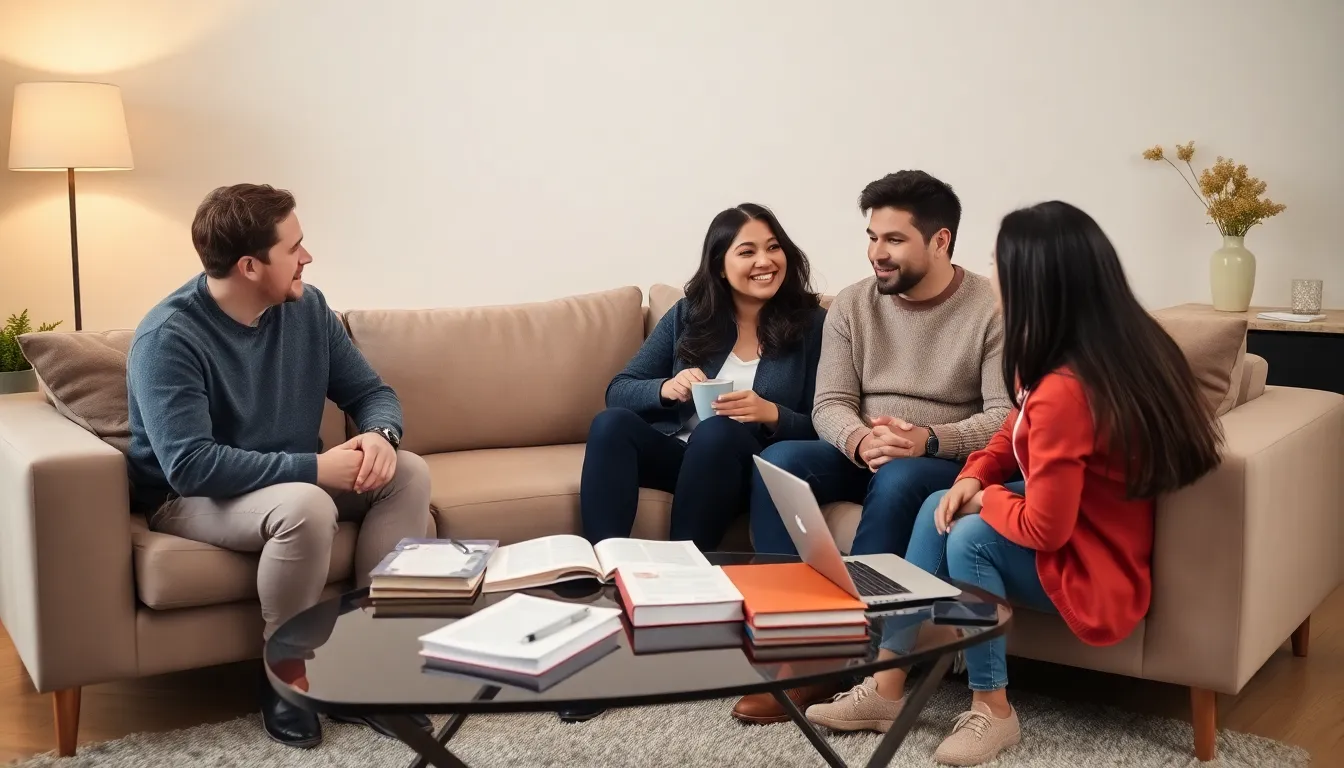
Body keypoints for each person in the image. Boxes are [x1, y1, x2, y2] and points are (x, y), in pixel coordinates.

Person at [803, 201, 1224, 765]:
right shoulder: (1068, 354)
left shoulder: (1068, 386)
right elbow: (1012, 428)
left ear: (1036, 281)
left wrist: (985, 497)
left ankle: (992, 707)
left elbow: (1046, 529)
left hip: (1095, 561)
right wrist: (973, 474)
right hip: (1080, 522)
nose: (991, 275)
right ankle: (887, 687)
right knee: (938, 504)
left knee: (968, 537)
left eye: (1003, 264)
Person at [126, 184, 435, 749]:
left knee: (408, 472)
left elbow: (371, 392)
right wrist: (316, 470)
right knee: (307, 503)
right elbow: (190, 465)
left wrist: (381, 437)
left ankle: (371, 662)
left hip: (288, 478)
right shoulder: (167, 338)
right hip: (190, 497)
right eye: (294, 247)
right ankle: (286, 677)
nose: (307, 258)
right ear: (249, 265)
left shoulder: (309, 309)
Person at [732, 171, 1010, 724]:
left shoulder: (990, 309)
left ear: (941, 241)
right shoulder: (855, 305)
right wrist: (862, 441)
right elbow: (829, 402)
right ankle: (791, 644)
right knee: (779, 461)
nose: (876, 254)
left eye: (893, 240)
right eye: (871, 237)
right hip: (864, 449)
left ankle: (850, 659)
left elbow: (1004, 417)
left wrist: (927, 439)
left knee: (903, 479)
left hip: (937, 457)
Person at [581, 203, 827, 552]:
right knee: (611, 424)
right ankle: (603, 563)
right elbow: (619, 390)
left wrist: (772, 414)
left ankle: (687, 568)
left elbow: (829, 421)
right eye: (747, 252)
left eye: (773, 247)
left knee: (716, 431)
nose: (765, 261)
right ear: (720, 268)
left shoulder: (814, 325)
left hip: (747, 466)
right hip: (684, 458)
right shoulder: (689, 315)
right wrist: (666, 388)